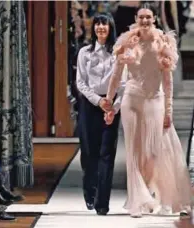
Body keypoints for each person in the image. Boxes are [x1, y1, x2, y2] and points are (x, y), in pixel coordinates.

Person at [103, 3, 193, 218]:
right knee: (133, 153)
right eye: (141, 17)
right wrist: (108, 100)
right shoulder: (127, 42)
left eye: (148, 17)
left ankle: (157, 195)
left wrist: (169, 110)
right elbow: (116, 75)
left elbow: (168, 81)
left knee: (154, 152)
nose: (144, 21)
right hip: (132, 100)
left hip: (156, 100)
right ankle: (137, 201)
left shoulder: (162, 42)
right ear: (136, 18)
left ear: (154, 19)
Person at [75, 13, 124, 216]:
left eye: (104, 24)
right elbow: (80, 82)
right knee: (89, 152)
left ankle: (102, 202)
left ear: (111, 27)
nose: (100, 27)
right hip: (89, 105)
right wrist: (98, 101)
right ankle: (90, 191)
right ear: (93, 28)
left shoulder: (119, 53)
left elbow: (123, 84)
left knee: (107, 154)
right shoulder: (84, 53)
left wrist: (113, 106)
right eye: (97, 24)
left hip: (111, 106)